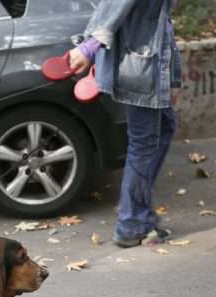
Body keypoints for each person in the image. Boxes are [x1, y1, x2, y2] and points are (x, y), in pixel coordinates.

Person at [69, 0, 181, 248]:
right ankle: (131, 223)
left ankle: (135, 209)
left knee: (165, 127)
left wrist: (173, 76)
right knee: (144, 143)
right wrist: (89, 46)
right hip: (140, 66)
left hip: (150, 63)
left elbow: (163, 24)